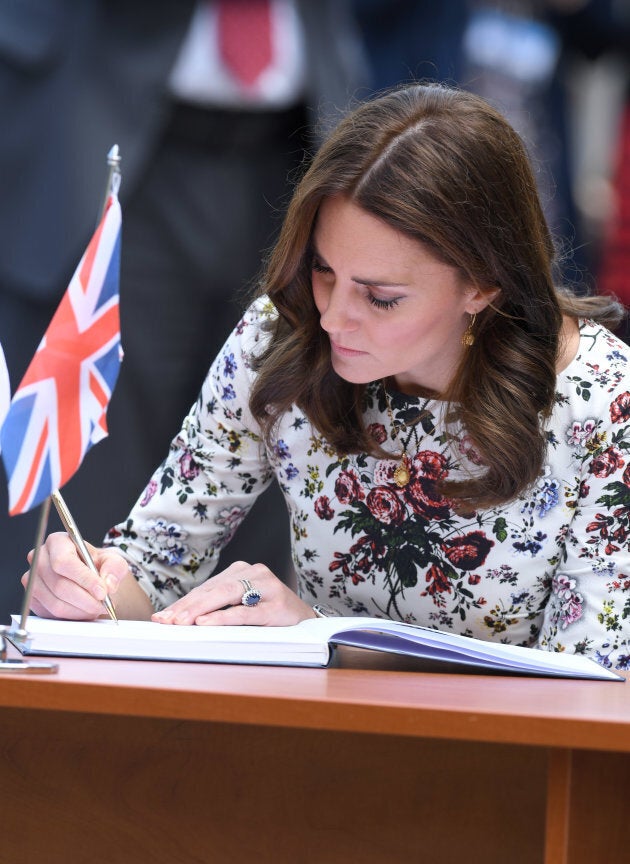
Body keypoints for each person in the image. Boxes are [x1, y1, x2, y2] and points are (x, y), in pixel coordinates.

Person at [26, 83, 630, 670]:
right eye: (322, 269)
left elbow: (593, 679)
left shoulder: (605, 400)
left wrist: (325, 640)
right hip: (319, 746)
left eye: (381, 297)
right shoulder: (282, 333)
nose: (334, 316)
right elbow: (154, 572)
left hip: (512, 763)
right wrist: (93, 588)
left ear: (482, 285)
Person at [0, 0, 368, 619]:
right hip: (110, 129)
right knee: (95, 463)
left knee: (278, 432)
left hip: (295, 143)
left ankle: (243, 700)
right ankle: (85, 697)